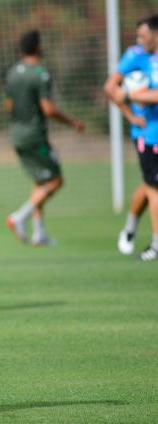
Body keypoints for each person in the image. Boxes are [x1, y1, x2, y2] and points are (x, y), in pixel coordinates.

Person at [4, 30, 85, 246]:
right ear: (38, 47)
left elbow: (9, 105)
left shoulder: (12, 73)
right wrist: (72, 121)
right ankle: (19, 217)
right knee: (56, 181)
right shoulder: (40, 73)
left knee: (40, 181)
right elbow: (48, 109)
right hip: (34, 135)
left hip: (17, 134)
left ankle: (39, 233)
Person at [104, 16, 155, 255]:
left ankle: (130, 226)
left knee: (149, 185)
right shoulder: (135, 55)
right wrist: (130, 114)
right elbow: (111, 88)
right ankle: (155, 244)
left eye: (143, 35)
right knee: (154, 186)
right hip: (148, 132)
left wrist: (136, 95)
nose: (139, 40)